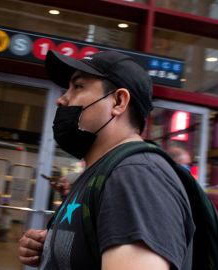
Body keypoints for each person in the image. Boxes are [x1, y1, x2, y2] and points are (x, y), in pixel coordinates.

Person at [18, 50, 195, 269]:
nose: (62, 99)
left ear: (118, 101)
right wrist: (53, 246)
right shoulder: (104, 171)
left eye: (78, 86)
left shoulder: (135, 176)